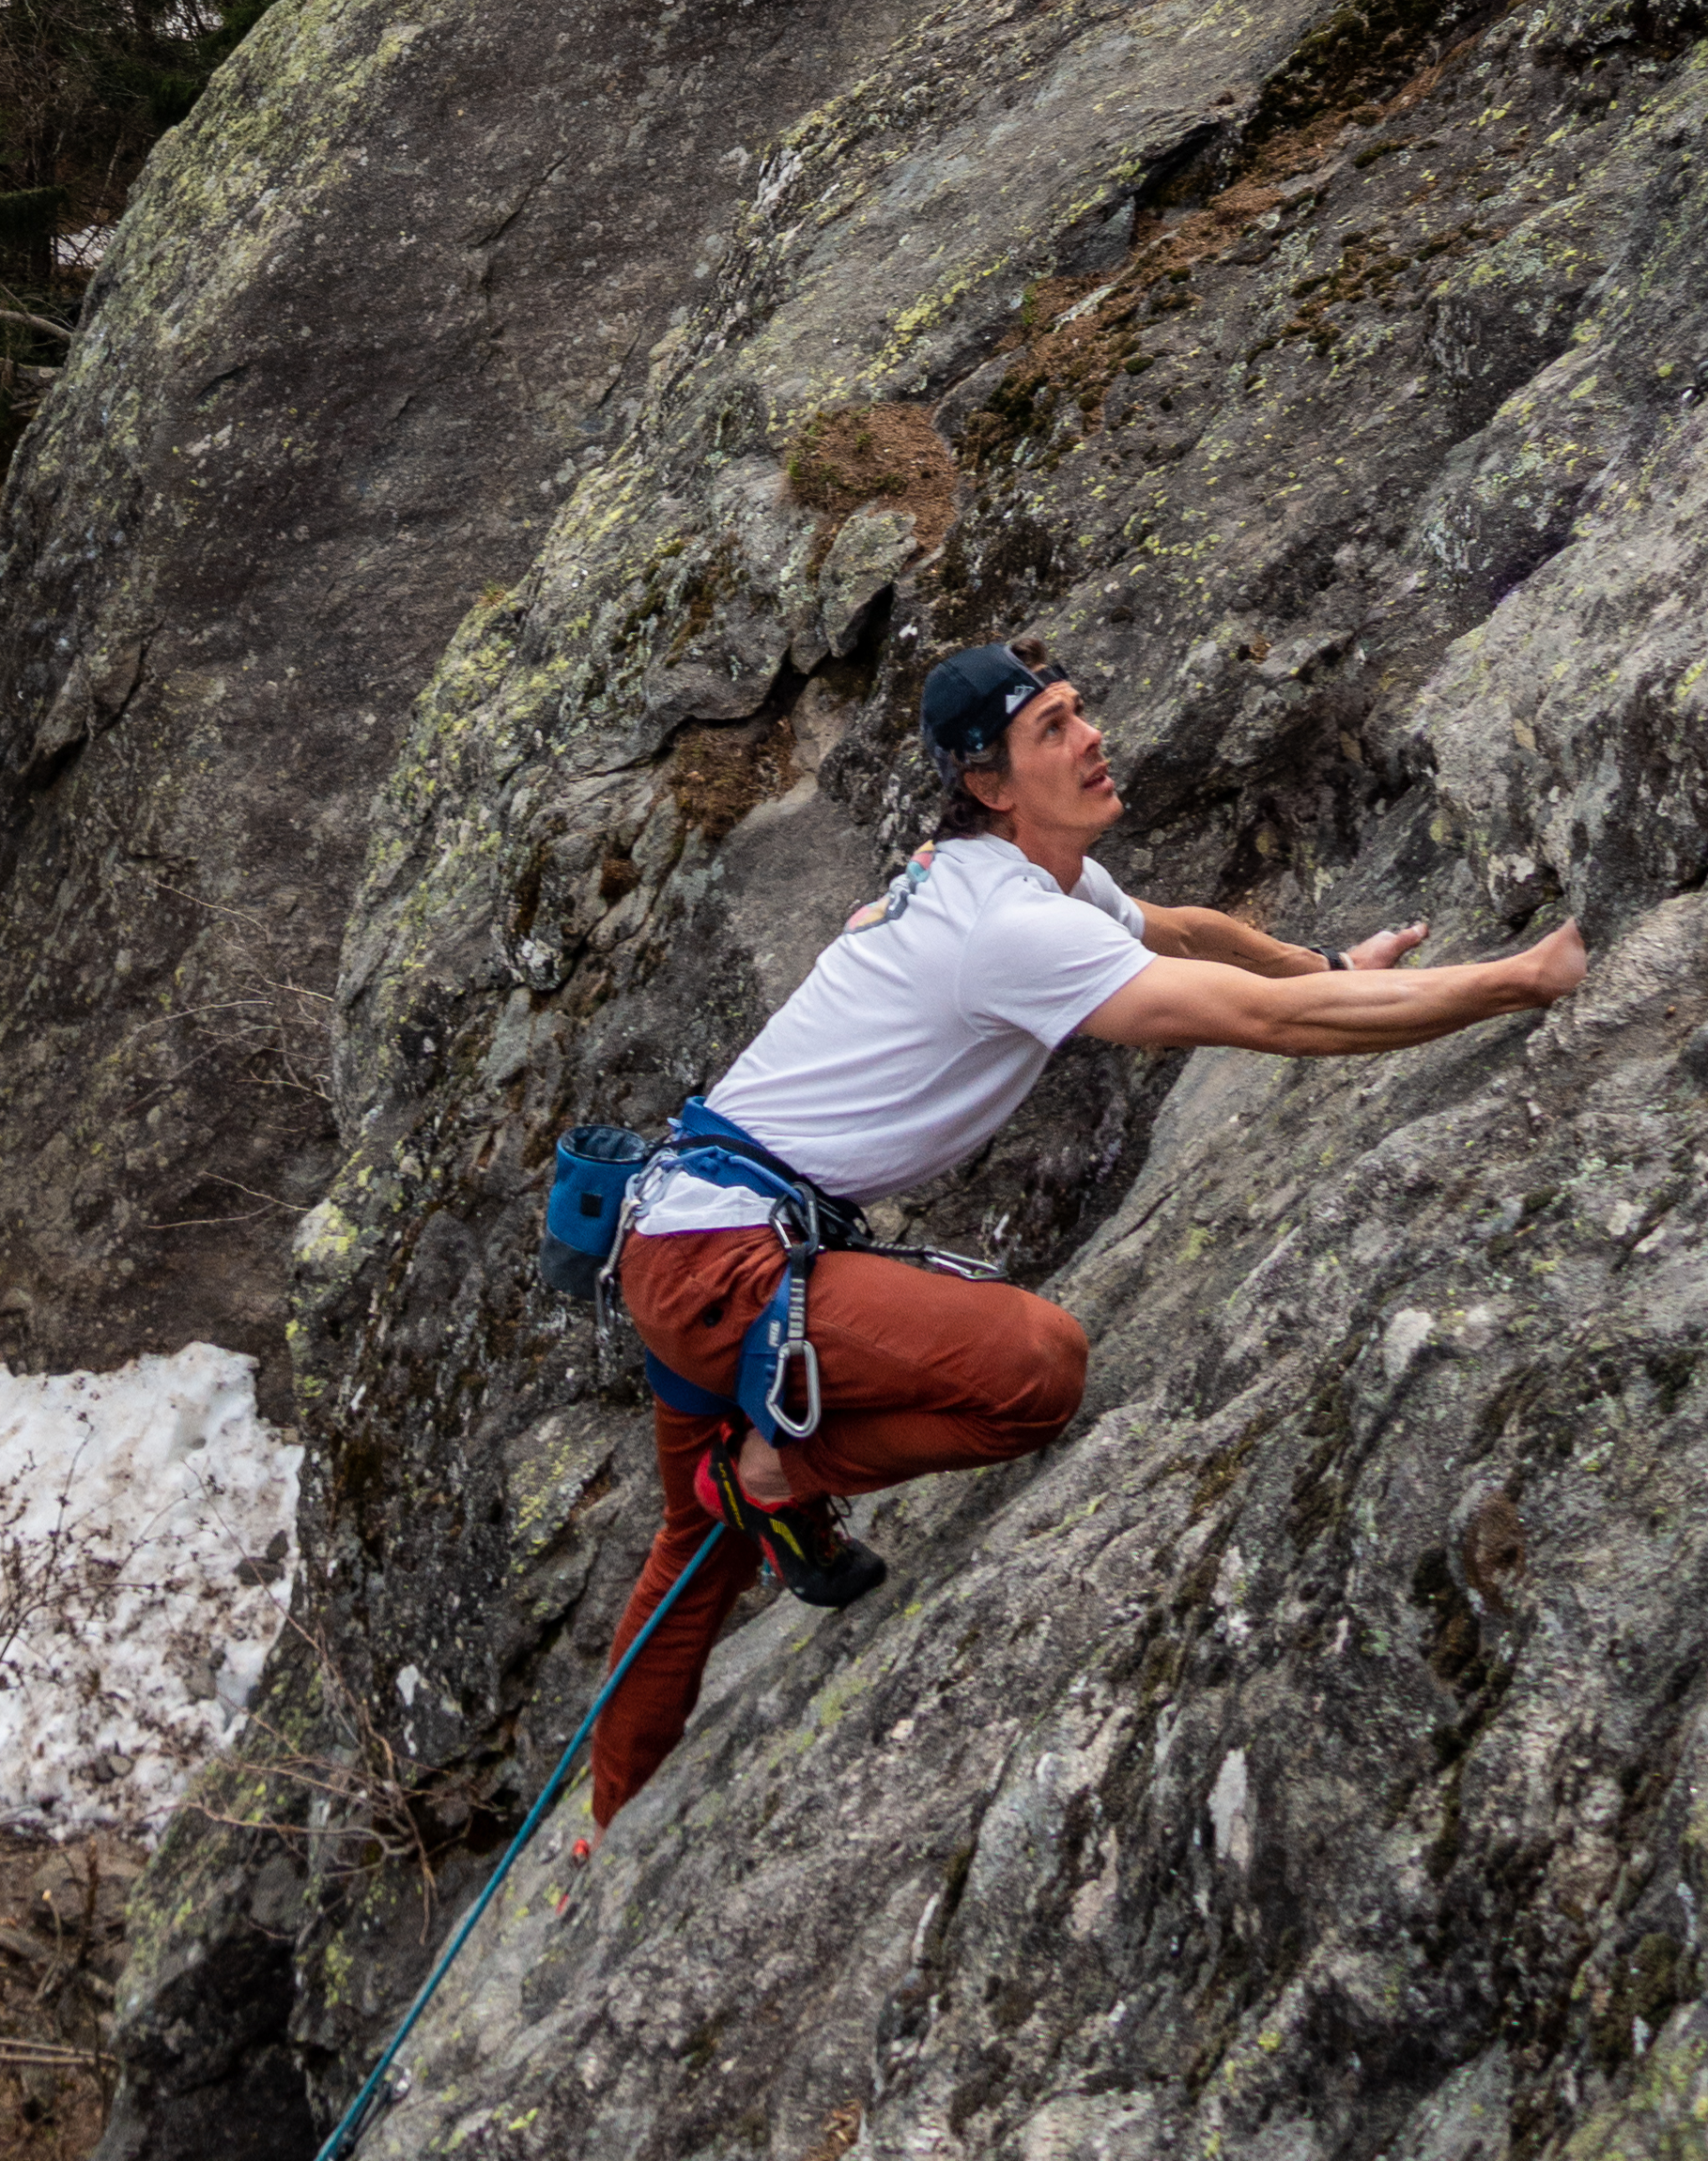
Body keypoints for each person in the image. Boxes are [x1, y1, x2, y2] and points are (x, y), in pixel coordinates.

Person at [586, 633, 1587, 1826]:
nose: (1091, 733)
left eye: (1077, 708)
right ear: (990, 785)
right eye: (1050, 728)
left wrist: (1329, 961)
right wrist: (1519, 980)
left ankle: (607, 1812)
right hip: (720, 1266)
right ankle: (770, 1472)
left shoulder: (1023, 880)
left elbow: (1178, 930)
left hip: (692, 1228)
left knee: (688, 1551)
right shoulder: (1006, 928)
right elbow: (1275, 1028)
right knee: (1033, 1371)